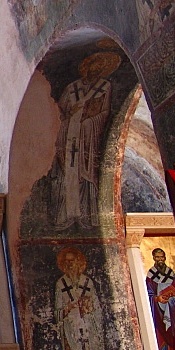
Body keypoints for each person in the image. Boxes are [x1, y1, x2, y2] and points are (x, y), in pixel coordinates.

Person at [52, 52, 119, 231]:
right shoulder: (72, 88)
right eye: (92, 67)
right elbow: (57, 113)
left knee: (85, 174)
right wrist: (67, 118)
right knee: (67, 173)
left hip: (88, 137)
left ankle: (88, 217)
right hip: (69, 134)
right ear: (86, 68)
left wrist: (88, 123)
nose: (94, 70)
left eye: (99, 68)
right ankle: (65, 215)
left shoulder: (104, 87)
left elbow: (104, 112)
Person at [54, 246, 108, 350]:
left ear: (79, 262)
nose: (70, 264)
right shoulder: (61, 284)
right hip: (71, 329)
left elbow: (97, 307)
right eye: (66, 261)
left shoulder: (87, 282)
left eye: (72, 260)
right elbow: (57, 311)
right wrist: (67, 308)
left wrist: (89, 307)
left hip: (88, 327)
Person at [146, 248, 175, 350]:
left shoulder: (170, 273)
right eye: (157, 257)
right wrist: (157, 298)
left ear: (165, 258)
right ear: (154, 258)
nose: (160, 259)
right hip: (160, 310)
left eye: (162, 257)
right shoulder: (151, 275)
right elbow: (148, 294)